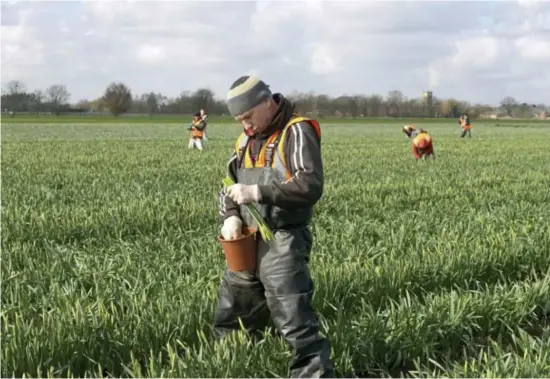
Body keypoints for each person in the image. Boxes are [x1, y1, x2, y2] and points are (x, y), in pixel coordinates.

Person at [214, 75, 334, 378]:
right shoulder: (244, 141)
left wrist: (258, 193)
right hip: (246, 238)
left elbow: (310, 184)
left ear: (267, 102)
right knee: (233, 311)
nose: (246, 125)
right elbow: (229, 183)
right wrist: (231, 214)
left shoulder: (296, 131)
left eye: (248, 116)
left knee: (293, 318)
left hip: (283, 239)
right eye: (239, 119)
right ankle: (233, 368)